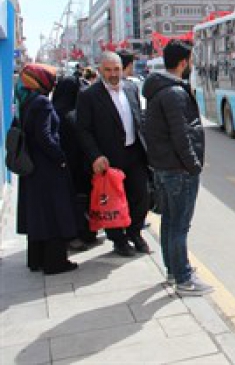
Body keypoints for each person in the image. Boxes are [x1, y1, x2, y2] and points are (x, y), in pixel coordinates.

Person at [143, 40, 213, 296]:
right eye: (191, 60)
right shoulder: (174, 93)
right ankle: (184, 278)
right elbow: (181, 134)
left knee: (171, 222)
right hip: (178, 169)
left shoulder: (158, 89)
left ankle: (174, 271)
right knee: (179, 225)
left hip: (164, 167)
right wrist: (193, 165)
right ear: (184, 62)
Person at [76, 51, 150, 257]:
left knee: (140, 196)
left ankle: (135, 233)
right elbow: (83, 130)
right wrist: (95, 156)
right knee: (113, 202)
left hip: (134, 153)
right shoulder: (89, 96)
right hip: (108, 158)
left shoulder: (131, 88)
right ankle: (119, 240)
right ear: (100, 71)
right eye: (108, 70)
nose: (113, 74)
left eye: (116, 69)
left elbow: (139, 119)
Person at [15, 64, 78, 274]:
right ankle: (55, 262)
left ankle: (38, 259)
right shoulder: (42, 103)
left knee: (39, 214)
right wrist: (59, 157)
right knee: (55, 213)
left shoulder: (26, 100)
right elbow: (45, 136)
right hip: (47, 168)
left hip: (33, 167)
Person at [52, 76, 97, 251]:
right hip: (77, 167)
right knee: (79, 202)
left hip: (59, 167)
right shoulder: (73, 114)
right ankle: (79, 234)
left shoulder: (53, 110)